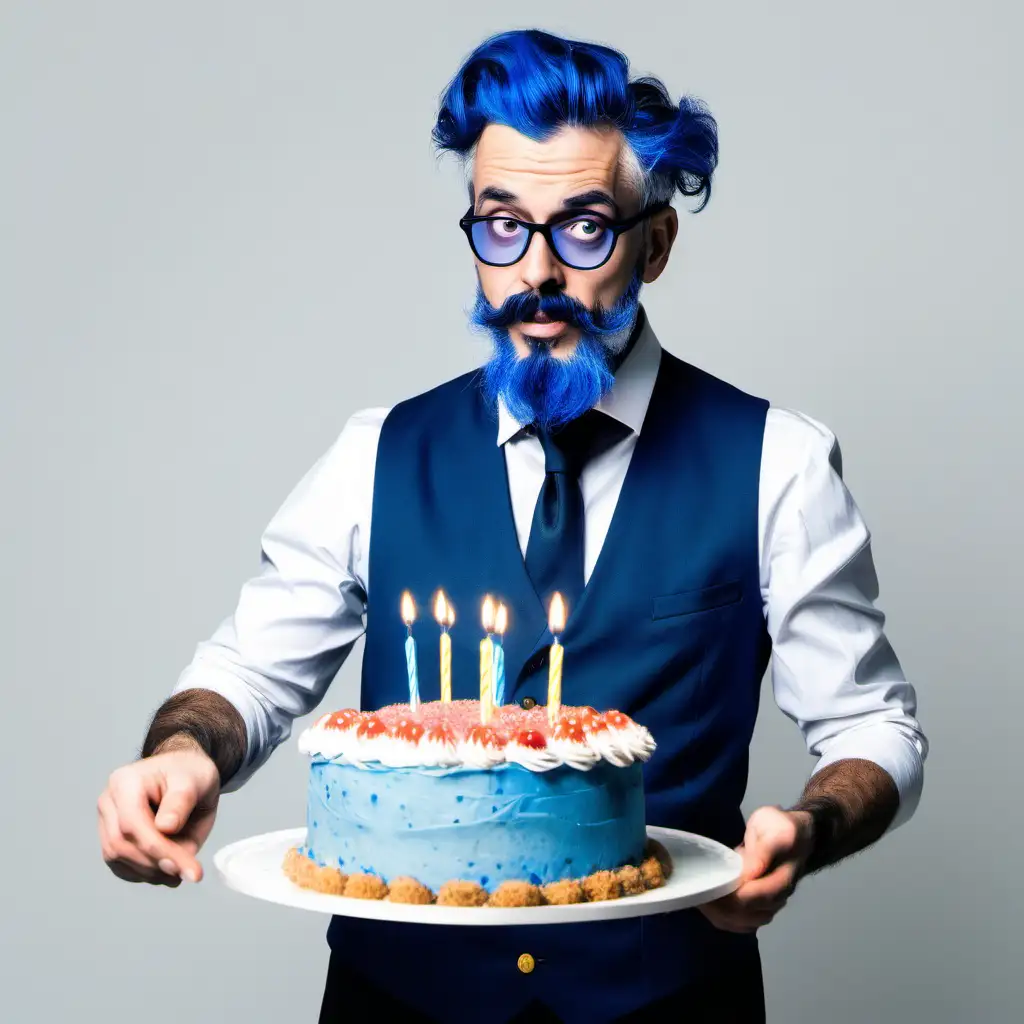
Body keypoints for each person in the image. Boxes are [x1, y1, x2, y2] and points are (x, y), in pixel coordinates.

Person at [96, 28, 928, 1024]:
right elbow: (244, 676)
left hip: (665, 1001)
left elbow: (872, 724)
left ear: (654, 243)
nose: (535, 272)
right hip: (395, 1002)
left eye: (582, 228)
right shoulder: (378, 451)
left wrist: (809, 826)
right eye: (501, 225)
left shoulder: (776, 463)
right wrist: (183, 751)